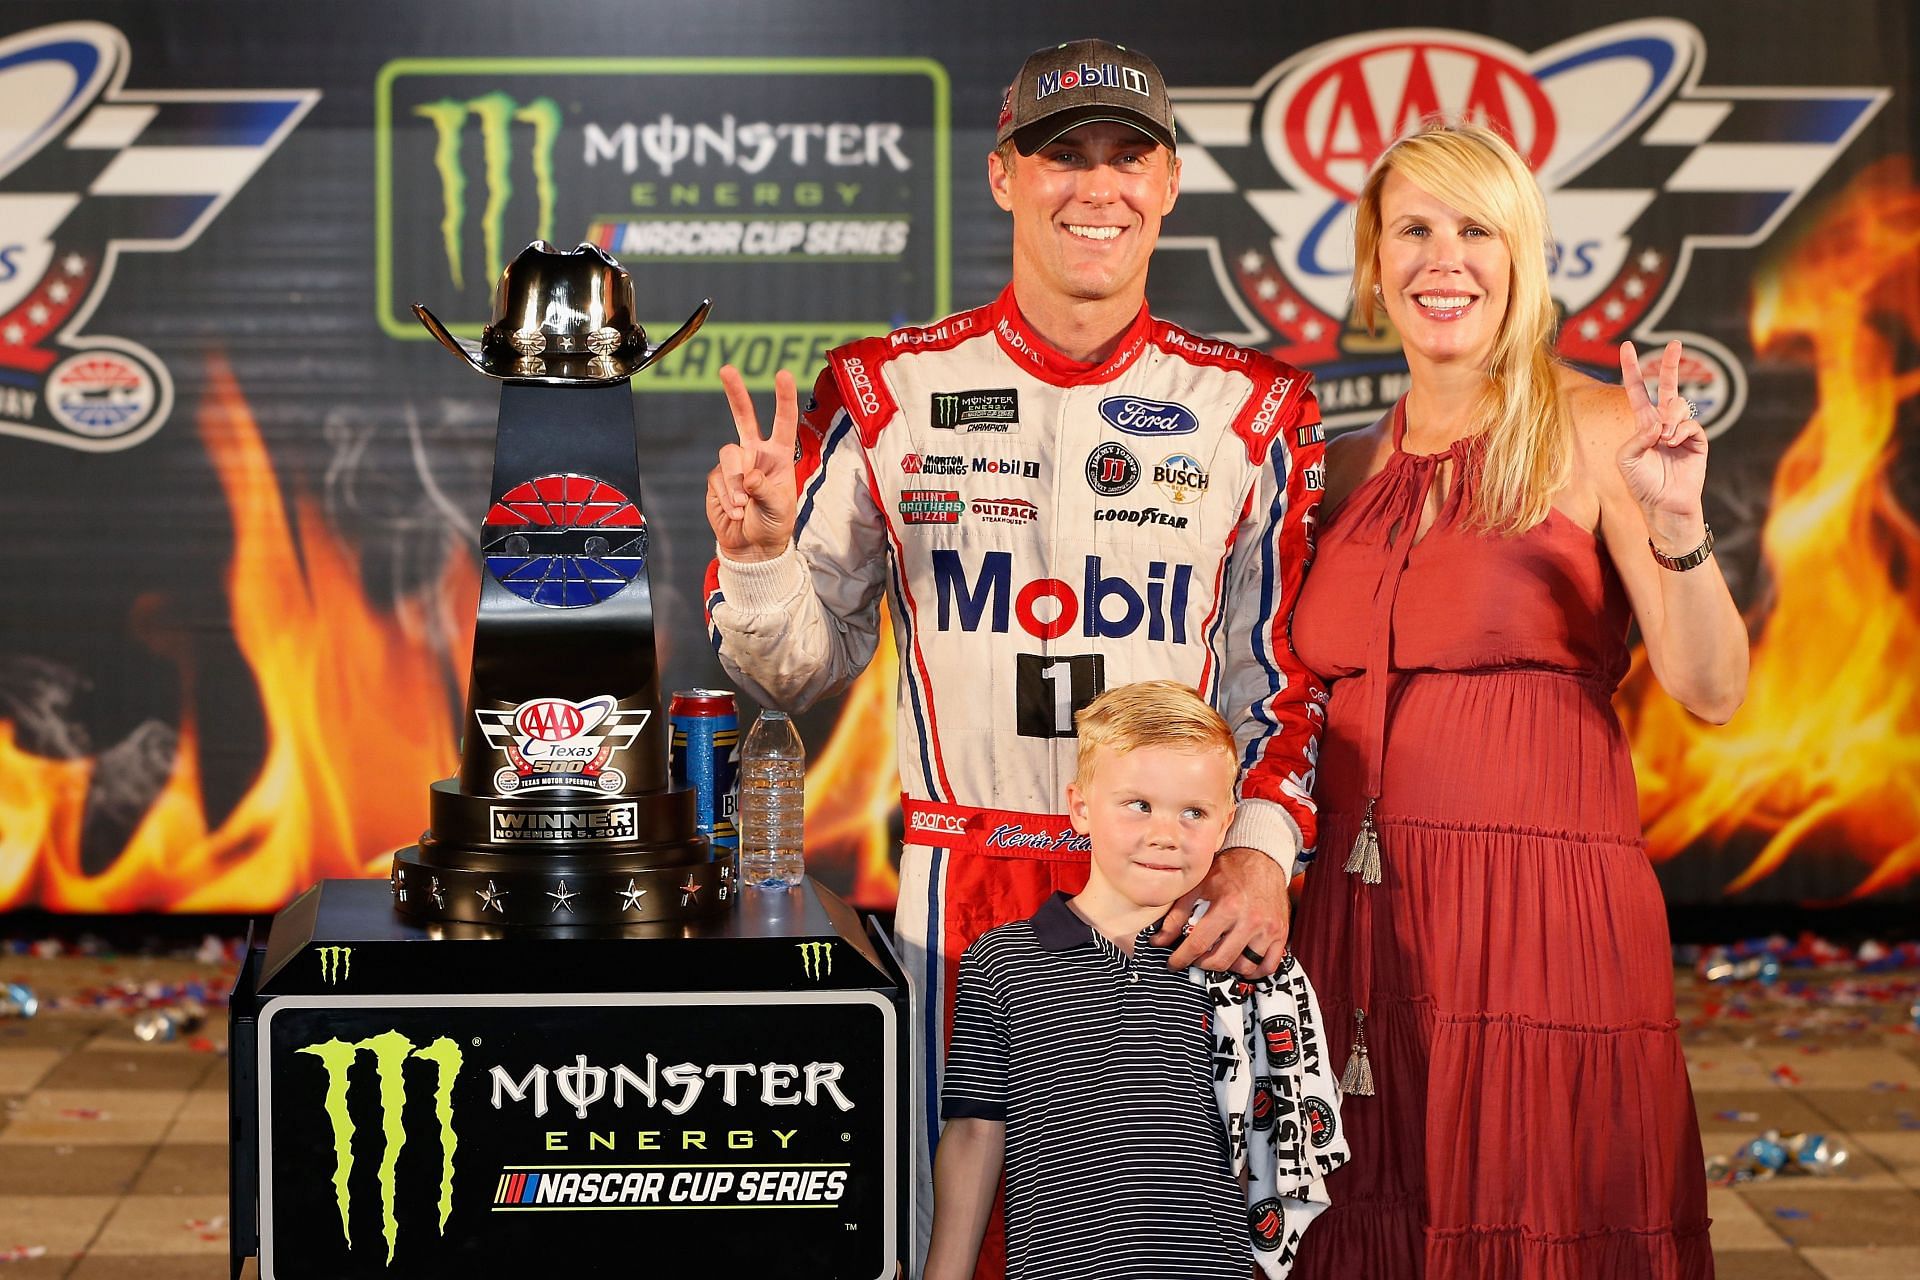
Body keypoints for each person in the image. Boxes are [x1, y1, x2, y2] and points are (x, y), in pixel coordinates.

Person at [703, 37, 1327, 1277]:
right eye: (1061, 156)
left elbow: (1288, 682)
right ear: (1002, 178)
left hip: (1165, 883)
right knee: (957, 1237)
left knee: (1162, 1236)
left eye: (1126, 156)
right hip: (959, 883)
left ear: (1167, 184)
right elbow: (785, 670)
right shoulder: (884, 389)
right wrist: (765, 556)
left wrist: (1260, 857)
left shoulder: (1254, 409)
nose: (1094, 186)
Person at [1286, 120, 1748, 1279]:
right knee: (1368, 1204)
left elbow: (1713, 687)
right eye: (1416, 230)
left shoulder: (1597, 429)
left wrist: (1680, 527)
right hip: (1352, 912)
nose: (1446, 260)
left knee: (1543, 1206)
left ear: (1522, 253)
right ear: (1372, 261)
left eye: (1477, 229)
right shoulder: (1336, 467)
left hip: (1541, 906)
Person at [927, 680, 1249, 1280]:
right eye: (1139, 804)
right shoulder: (1003, 959)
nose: (1165, 834)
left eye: (1194, 812)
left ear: (1226, 821)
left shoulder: (1232, 959)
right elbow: (974, 1133)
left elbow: (1268, 1140)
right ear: (1080, 807)